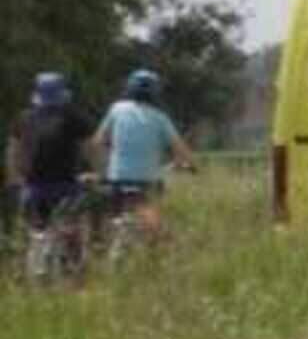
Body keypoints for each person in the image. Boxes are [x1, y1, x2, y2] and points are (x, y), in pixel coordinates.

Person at [93, 69, 196, 245]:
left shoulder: (116, 109)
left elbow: (98, 141)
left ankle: (104, 244)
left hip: (117, 178)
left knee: (112, 214)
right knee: (152, 221)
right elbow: (181, 149)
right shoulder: (160, 118)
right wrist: (189, 164)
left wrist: (107, 160)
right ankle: (158, 246)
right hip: (148, 181)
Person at [10, 73, 96, 240]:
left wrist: (15, 177)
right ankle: (73, 264)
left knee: (35, 230)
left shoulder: (24, 117)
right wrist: (98, 173)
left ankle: (35, 254)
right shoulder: (73, 117)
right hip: (65, 187)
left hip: (33, 188)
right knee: (73, 231)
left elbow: (13, 150)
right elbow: (91, 148)